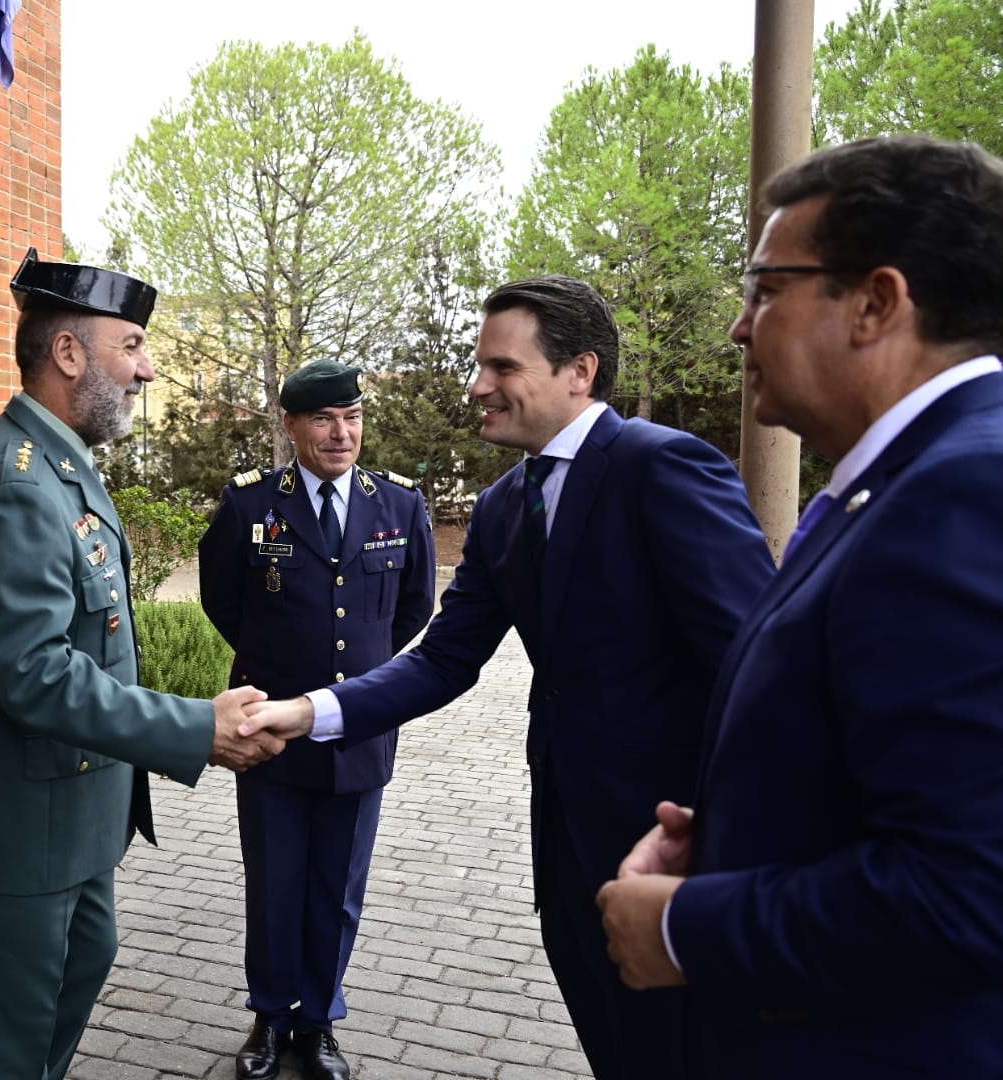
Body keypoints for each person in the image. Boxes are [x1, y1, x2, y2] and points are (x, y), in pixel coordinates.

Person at [240, 275, 775, 1080]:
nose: (476, 387)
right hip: (567, 858)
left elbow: (757, 669)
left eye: (501, 367)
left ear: (580, 371)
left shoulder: (663, 469)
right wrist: (307, 712)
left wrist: (743, 844)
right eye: (478, 365)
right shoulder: (500, 509)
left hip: (674, 858)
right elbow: (444, 659)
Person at [597, 135, 1003, 1078]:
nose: (740, 328)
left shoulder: (965, 493)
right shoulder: (905, 483)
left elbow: (975, 890)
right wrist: (747, 833)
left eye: (767, 289)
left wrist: (691, 926)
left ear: (876, 302)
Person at [0, 248, 284, 1079]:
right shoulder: (15, 483)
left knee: (45, 1044)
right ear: (69, 354)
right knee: (0, 1058)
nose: (148, 370)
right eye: (134, 346)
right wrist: (194, 726)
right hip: (13, 843)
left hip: (71, 832)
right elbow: (37, 673)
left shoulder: (61, 468)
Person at [198, 361, 436, 1080]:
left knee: (339, 886)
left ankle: (320, 1022)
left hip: (358, 730)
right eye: (325, 419)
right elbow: (223, 601)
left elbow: (413, 608)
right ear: (291, 427)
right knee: (274, 882)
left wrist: (361, 684)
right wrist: (275, 669)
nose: (343, 432)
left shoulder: (398, 504)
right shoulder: (248, 507)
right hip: (268, 728)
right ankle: (271, 1020)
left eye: (353, 417)